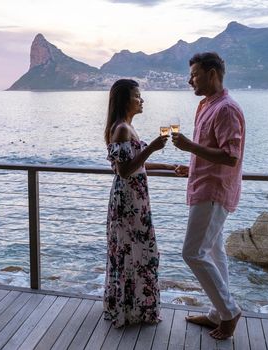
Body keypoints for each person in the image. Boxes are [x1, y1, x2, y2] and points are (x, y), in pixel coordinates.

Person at [171, 52, 246, 340]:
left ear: (212, 73)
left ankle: (229, 311)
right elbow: (209, 150)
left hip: (214, 191)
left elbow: (230, 156)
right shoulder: (206, 106)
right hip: (203, 184)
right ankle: (218, 312)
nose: (190, 80)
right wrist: (190, 166)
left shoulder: (226, 109)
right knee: (214, 251)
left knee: (192, 252)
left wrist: (190, 148)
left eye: (195, 74)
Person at [103, 79, 182, 328]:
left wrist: (169, 166)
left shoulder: (127, 128)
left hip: (135, 199)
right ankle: (131, 310)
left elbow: (137, 163)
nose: (142, 100)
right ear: (126, 100)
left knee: (137, 251)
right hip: (128, 201)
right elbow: (124, 170)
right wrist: (154, 149)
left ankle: (133, 308)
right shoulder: (122, 129)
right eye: (138, 95)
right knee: (133, 252)